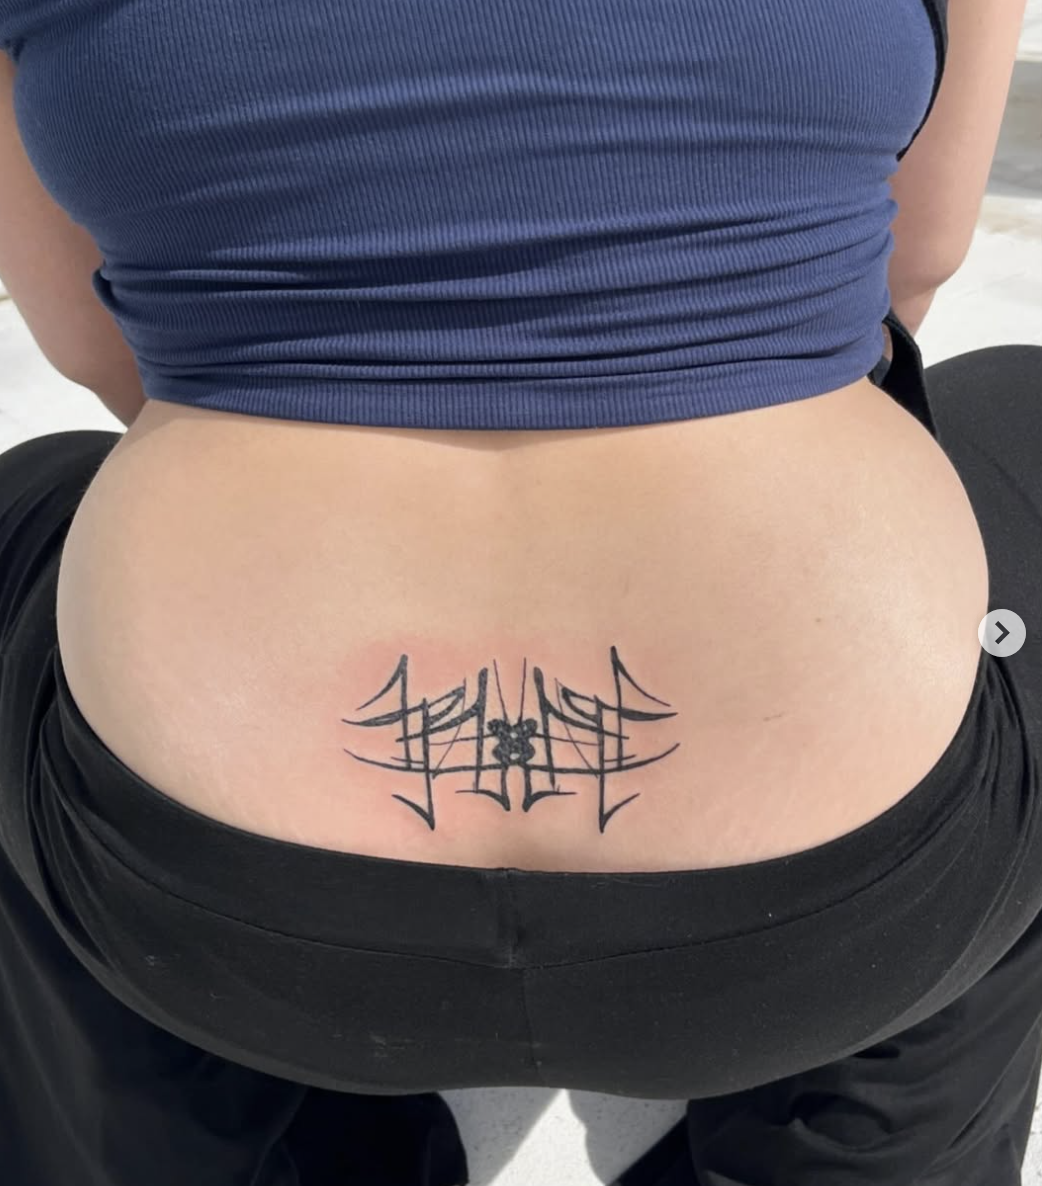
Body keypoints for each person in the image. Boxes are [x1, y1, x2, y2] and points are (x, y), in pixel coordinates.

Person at [0, 0, 1039, 1182]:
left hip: (207, 927)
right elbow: (912, 259)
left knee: (38, 510)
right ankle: (864, 1145)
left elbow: (96, 344)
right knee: (1019, 421)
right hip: (848, 927)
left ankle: (182, 1143)